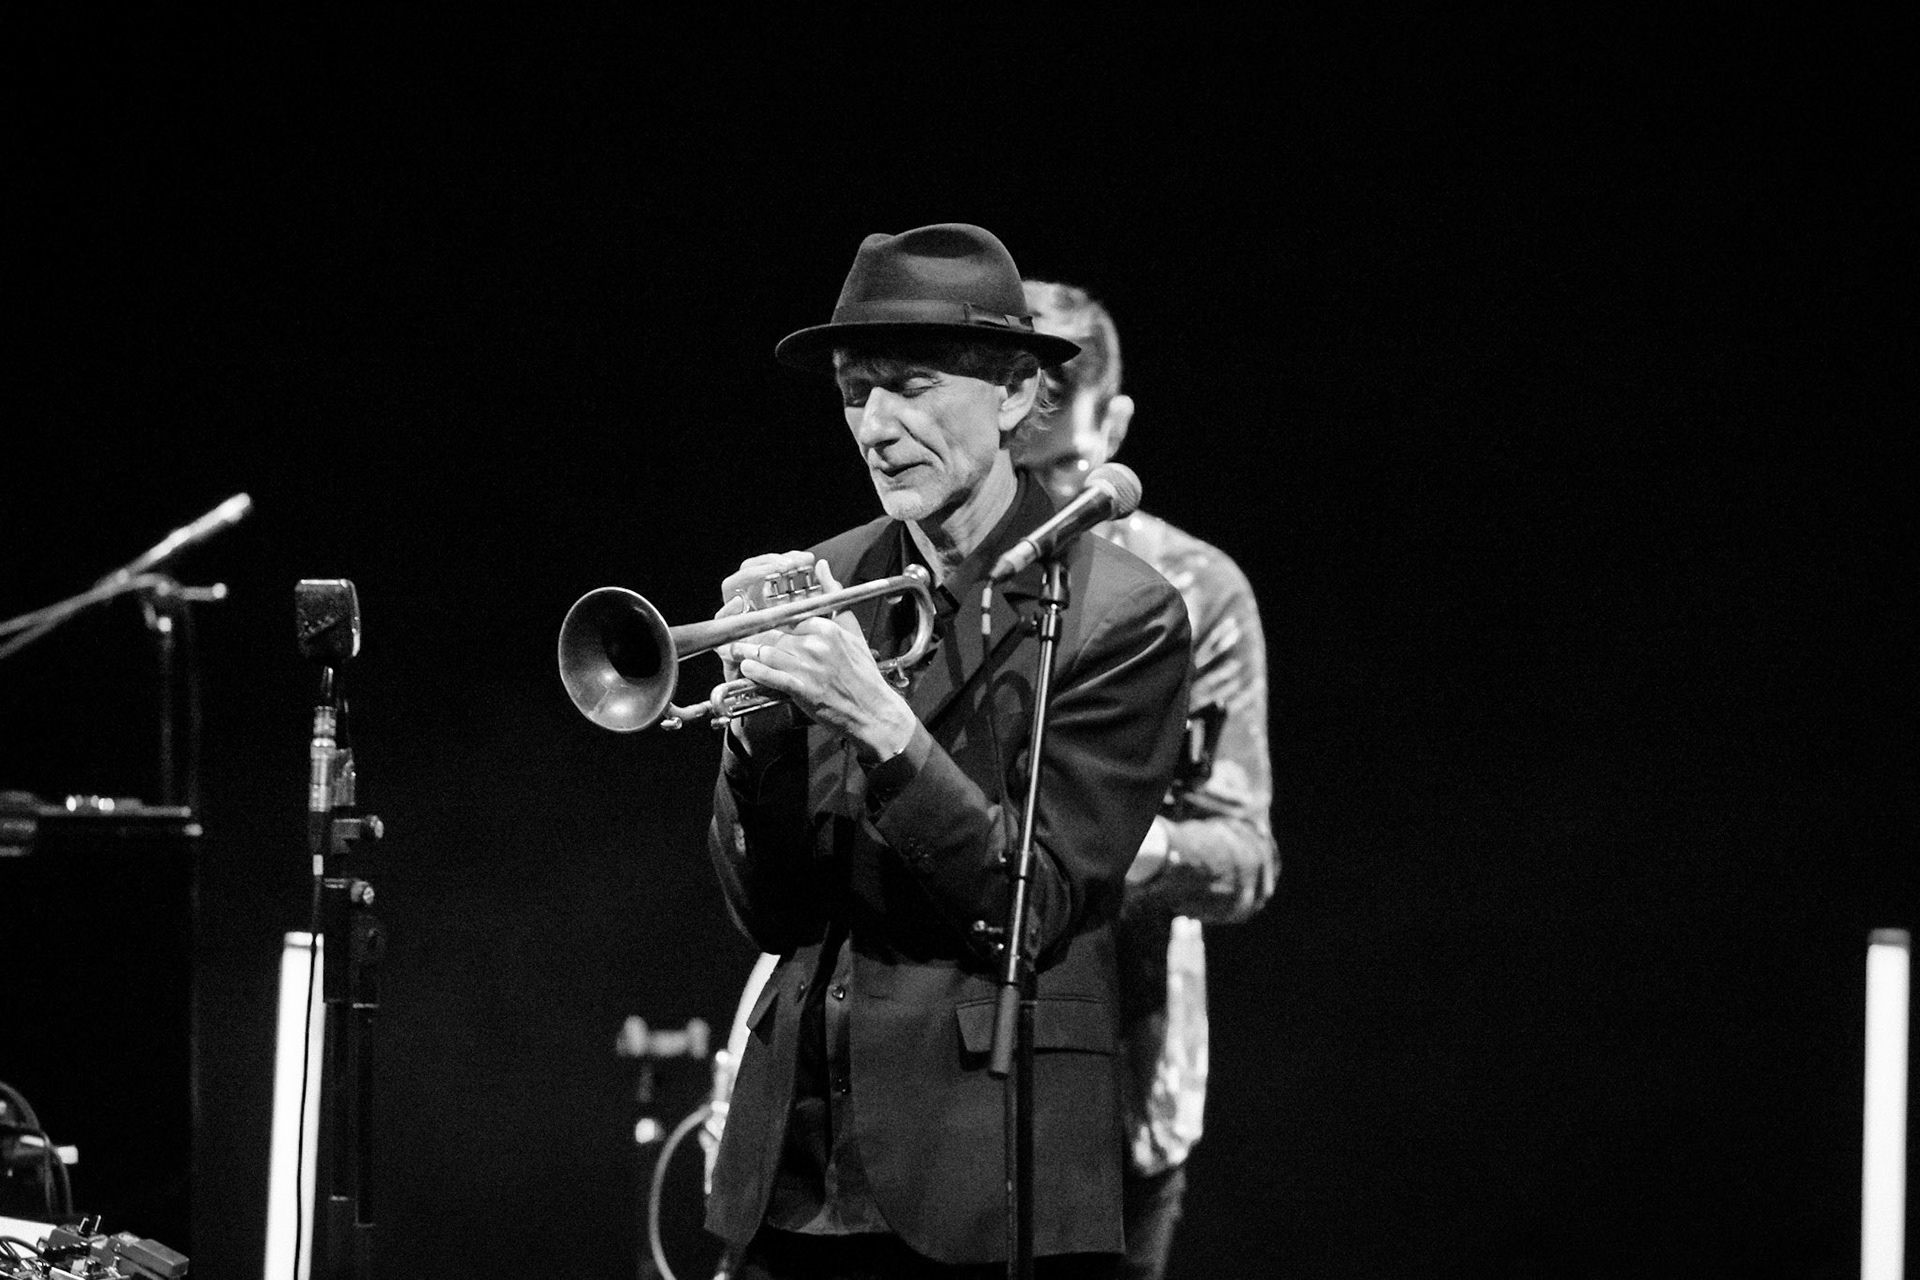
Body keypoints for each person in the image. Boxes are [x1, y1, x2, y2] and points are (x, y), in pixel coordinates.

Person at [701, 224, 1194, 1279]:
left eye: (910, 386)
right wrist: (755, 738)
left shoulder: (1122, 613)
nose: (874, 426)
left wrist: (879, 723)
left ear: (1016, 395)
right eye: (852, 391)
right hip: (792, 1179)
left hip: (985, 1179)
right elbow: (772, 913)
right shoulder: (826, 575)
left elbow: (1035, 903)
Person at [1017, 281, 1277, 1280]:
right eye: (1020, 474)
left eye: (1071, 470)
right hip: (929, 1092)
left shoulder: (1196, 588)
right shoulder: (937, 571)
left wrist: (1119, 839)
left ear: (1115, 423)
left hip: (1118, 1081)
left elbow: (1245, 855)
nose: (1044, 512)